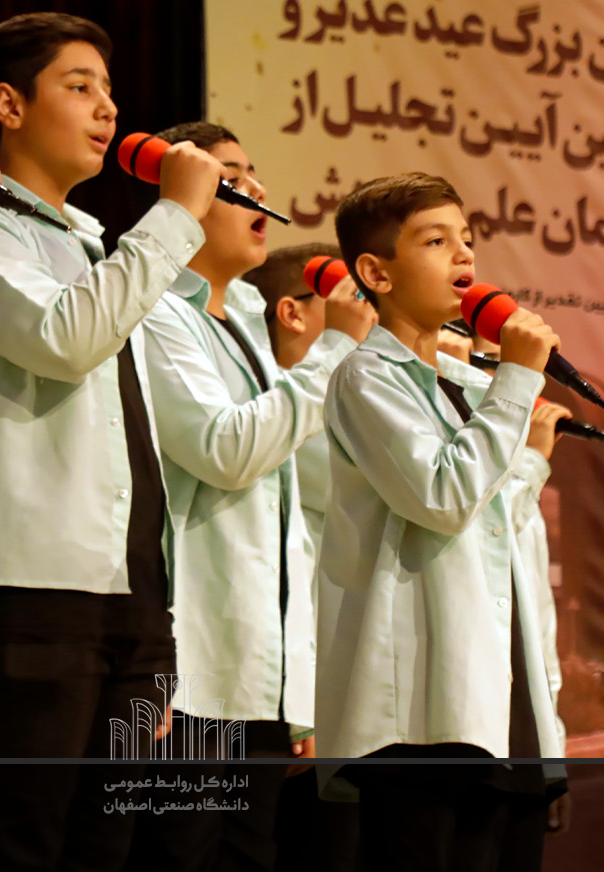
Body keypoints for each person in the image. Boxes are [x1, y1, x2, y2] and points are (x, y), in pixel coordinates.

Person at [0, 12, 226, 871]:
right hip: (26, 585)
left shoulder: (97, 246)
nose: (107, 108)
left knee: (108, 845)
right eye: (79, 86)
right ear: (9, 105)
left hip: (131, 596)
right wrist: (176, 213)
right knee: (17, 840)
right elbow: (65, 339)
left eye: (109, 89)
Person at [130, 123, 373, 871]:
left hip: (255, 678)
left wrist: (294, 692)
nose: (257, 192)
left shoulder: (241, 324)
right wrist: (335, 348)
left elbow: (285, 519)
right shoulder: (155, 311)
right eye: (230, 180)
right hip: (188, 672)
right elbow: (226, 451)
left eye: (253, 174)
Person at [316, 172, 574, 872]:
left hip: (492, 694)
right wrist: (517, 378)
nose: (464, 255)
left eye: (467, 239)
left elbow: (503, 530)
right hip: (420, 712)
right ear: (377, 273)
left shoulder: (468, 386)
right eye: (435, 241)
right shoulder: (366, 376)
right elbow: (443, 495)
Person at [245, 240, 369, 872]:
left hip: (330, 692)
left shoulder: (336, 399)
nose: (367, 316)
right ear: (293, 313)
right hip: (282, 694)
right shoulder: (273, 410)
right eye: (351, 300)